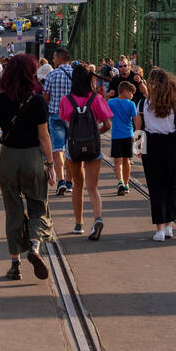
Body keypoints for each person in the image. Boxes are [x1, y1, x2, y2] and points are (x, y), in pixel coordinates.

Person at [0, 53, 55, 279]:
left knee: (13, 212)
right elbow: (44, 136)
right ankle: (34, 247)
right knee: (38, 206)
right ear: (30, 74)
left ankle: (15, 266)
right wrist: (51, 164)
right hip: (32, 158)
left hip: (8, 159)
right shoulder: (37, 101)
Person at [59, 62, 112, 239]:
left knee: (77, 186)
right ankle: (97, 218)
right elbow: (107, 125)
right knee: (92, 187)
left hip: (73, 148)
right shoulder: (96, 99)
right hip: (93, 147)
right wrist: (94, 133)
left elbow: (66, 121)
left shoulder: (66, 100)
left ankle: (78, 223)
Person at [136, 67, 176, 240]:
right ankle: (169, 225)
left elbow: (138, 129)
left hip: (152, 145)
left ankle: (159, 229)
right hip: (171, 144)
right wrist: (175, 141)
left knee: (155, 187)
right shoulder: (175, 104)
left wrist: (138, 150)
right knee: (170, 186)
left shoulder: (143, 103)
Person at [42, 44, 74, 197]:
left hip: (55, 115)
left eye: (54, 57)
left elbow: (46, 97)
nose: (53, 60)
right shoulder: (76, 74)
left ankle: (60, 180)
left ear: (60, 59)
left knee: (57, 148)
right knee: (70, 149)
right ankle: (69, 182)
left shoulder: (52, 75)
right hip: (73, 117)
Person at [109, 81, 139, 193]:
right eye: (131, 92)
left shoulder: (111, 102)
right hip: (128, 135)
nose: (132, 95)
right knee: (127, 160)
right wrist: (137, 137)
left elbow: (105, 114)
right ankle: (126, 184)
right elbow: (136, 121)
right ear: (125, 91)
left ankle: (120, 181)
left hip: (116, 135)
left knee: (117, 162)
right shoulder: (131, 104)